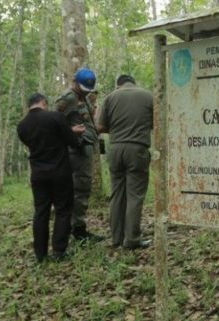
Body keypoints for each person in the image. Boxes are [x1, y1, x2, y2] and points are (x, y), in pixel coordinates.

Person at [17, 93, 86, 262]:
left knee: (41, 212)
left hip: (38, 174)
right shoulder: (55, 117)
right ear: (43, 103)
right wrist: (75, 134)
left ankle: (40, 254)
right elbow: (72, 142)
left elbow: (41, 140)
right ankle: (59, 251)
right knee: (63, 211)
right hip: (60, 172)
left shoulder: (22, 126)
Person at [96, 74, 154, 250]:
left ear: (118, 84)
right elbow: (158, 122)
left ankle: (116, 238)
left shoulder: (110, 98)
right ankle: (132, 239)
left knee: (117, 194)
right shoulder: (148, 96)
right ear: (133, 82)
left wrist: (117, 129)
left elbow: (99, 127)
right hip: (137, 149)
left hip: (116, 149)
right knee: (134, 196)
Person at [55, 67, 104, 242]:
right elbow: (54, 124)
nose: (85, 92)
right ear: (74, 82)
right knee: (80, 188)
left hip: (87, 146)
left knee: (83, 187)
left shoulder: (83, 96)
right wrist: (72, 131)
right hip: (77, 149)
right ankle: (77, 229)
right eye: (82, 88)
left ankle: (77, 226)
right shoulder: (67, 98)